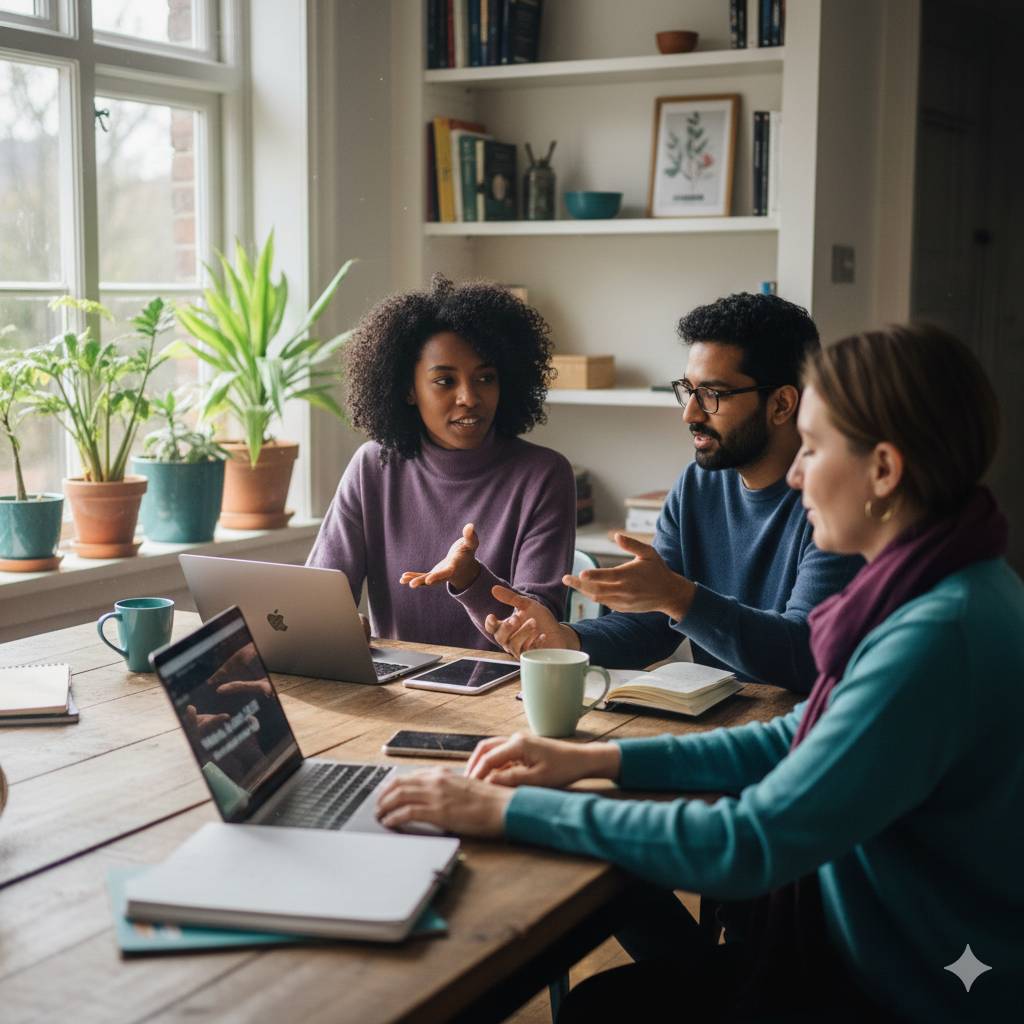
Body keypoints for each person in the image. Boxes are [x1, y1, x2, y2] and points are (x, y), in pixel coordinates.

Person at [377, 324, 1023, 1021]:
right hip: (891, 951)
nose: (798, 473)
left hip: (912, 988)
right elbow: (794, 740)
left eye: (813, 448)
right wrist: (591, 759)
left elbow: (750, 843)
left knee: (604, 1010)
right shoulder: (945, 587)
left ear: (885, 471)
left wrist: (508, 810)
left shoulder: (933, 636)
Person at [484, 292, 861, 693]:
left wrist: (681, 598)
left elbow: (805, 655)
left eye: (713, 395)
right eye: (688, 390)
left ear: (782, 404)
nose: (690, 414)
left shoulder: (837, 502)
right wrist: (568, 640)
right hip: (724, 721)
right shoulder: (697, 487)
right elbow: (649, 625)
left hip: (802, 727)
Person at [306, 275, 576, 651]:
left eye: (485, 378)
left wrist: (471, 580)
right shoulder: (373, 467)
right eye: (445, 381)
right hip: (396, 690)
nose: (469, 397)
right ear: (408, 389)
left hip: (500, 693)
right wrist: (335, 627)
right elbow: (316, 597)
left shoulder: (543, 476)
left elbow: (536, 634)